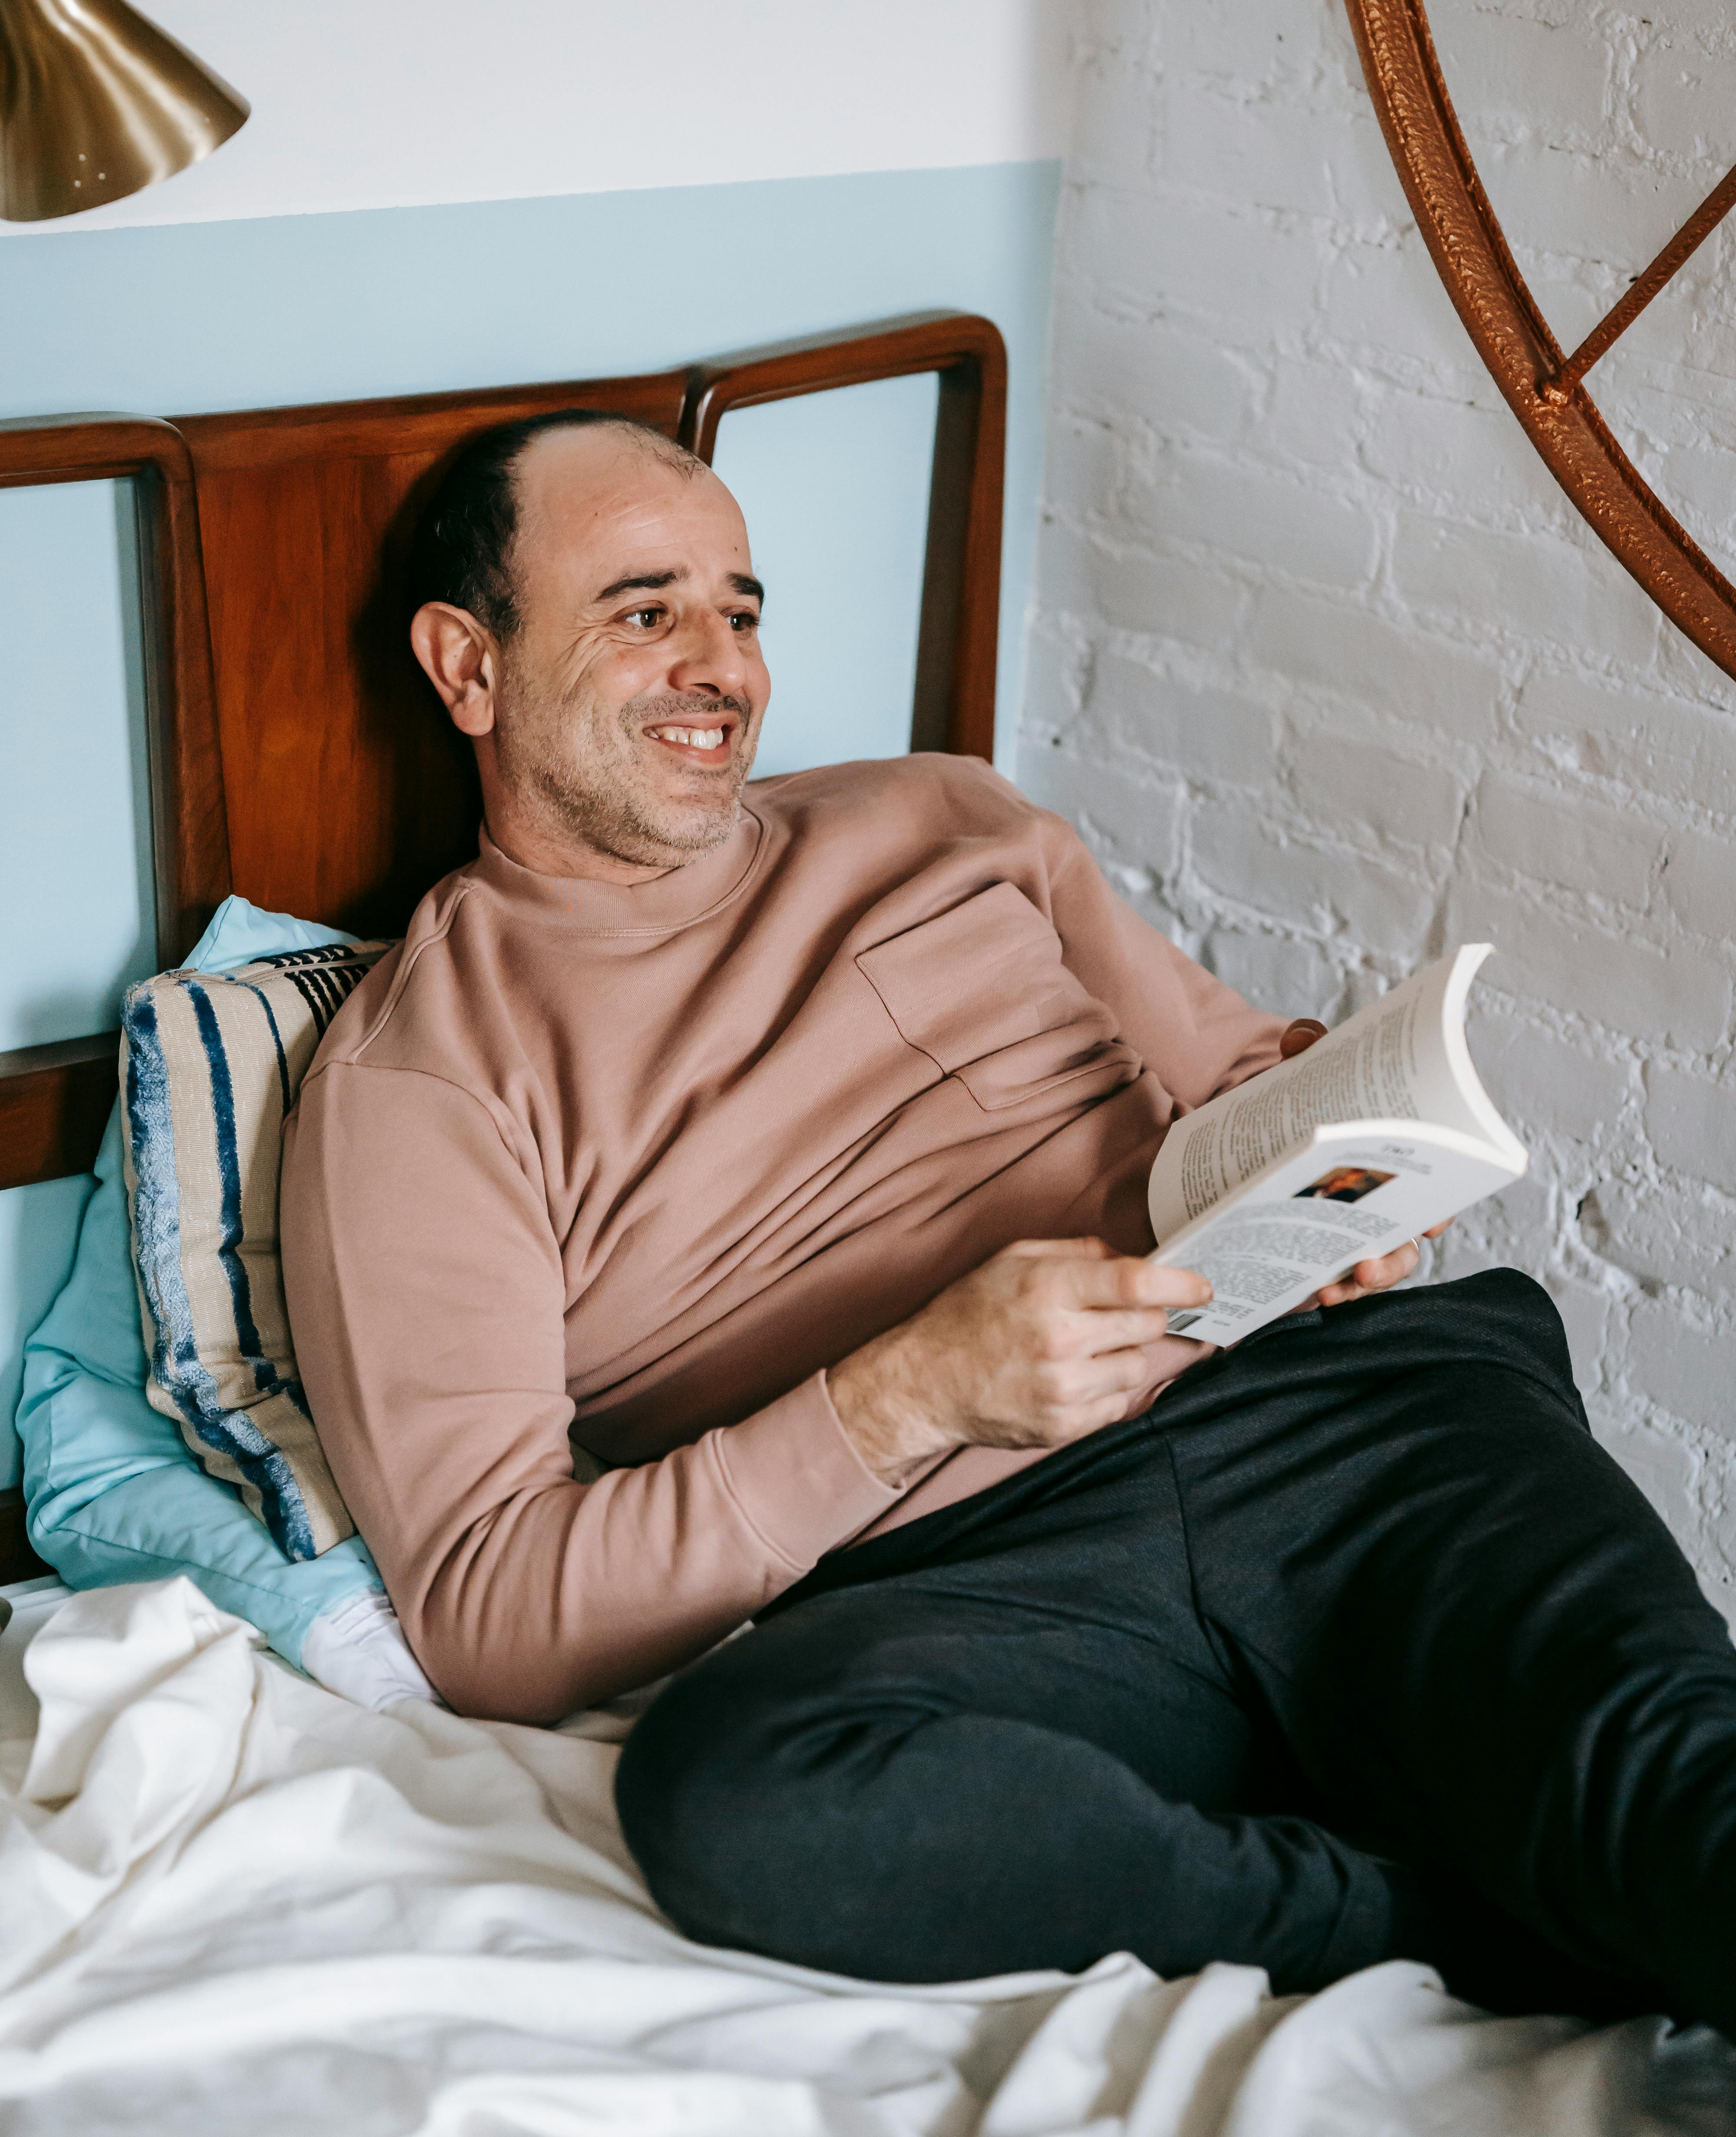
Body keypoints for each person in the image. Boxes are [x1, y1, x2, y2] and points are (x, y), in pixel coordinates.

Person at [280, 410, 1736, 2036]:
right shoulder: (422, 1074)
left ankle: (1553, 1849)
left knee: (1674, 1781)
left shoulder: (946, 821)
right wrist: (908, 1391)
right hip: (979, 1571)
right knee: (745, 1798)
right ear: (466, 666)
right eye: (644, 612)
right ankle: (1431, 1921)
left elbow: (1239, 1074)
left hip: (1342, 1418)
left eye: (741, 611)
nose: (721, 668)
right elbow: (489, 1608)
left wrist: (1339, 1184)